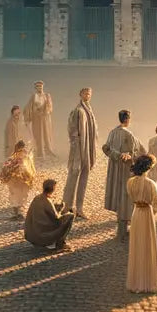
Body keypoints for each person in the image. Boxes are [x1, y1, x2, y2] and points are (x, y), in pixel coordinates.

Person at [102, 110, 145, 240]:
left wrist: (116, 155)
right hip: (125, 169)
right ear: (127, 119)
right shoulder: (128, 134)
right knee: (125, 196)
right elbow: (133, 153)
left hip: (115, 169)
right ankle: (123, 231)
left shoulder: (112, 132)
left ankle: (121, 229)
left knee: (119, 194)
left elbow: (106, 148)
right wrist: (124, 156)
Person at [126, 154, 157, 293]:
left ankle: (135, 281)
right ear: (148, 168)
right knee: (147, 246)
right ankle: (146, 282)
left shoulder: (130, 182)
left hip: (136, 214)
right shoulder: (151, 184)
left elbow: (131, 196)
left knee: (136, 245)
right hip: (147, 214)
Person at [63, 87, 97, 218]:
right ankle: (67, 205)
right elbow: (72, 131)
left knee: (84, 176)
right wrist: (76, 149)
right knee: (74, 174)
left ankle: (80, 207)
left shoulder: (89, 110)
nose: (87, 95)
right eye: (85, 93)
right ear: (80, 94)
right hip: (78, 149)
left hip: (87, 148)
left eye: (89, 93)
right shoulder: (78, 110)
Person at [24, 179, 74, 252]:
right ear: (53, 189)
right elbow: (56, 218)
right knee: (70, 216)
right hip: (43, 234)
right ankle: (60, 243)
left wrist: (56, 207)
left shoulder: (37, 198)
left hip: (33, 233)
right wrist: (63, 210)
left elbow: (46, 212)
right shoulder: (47, 201)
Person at [0, 139, 37, 220]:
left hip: (17, 179)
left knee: (16, 195)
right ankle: (19, 213)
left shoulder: (13, 157)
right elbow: (30, 168)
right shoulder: (25, 157)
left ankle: (17, 212)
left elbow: (6, 168)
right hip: (21, 179)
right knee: (20, 195)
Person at [24, 80, 56, 159]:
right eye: (38, 86)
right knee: (38, 134)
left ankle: (48, 150)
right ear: (35, 88)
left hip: (44, 117)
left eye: (40, 86)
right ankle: (39, 152)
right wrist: (28, 117)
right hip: (36, 118)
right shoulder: (34, 96)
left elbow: (50, 106)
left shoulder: (46, 95)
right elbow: (29, 107)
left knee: (46, 133)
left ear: (43, 87)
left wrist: (45, 111)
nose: (39, 88)